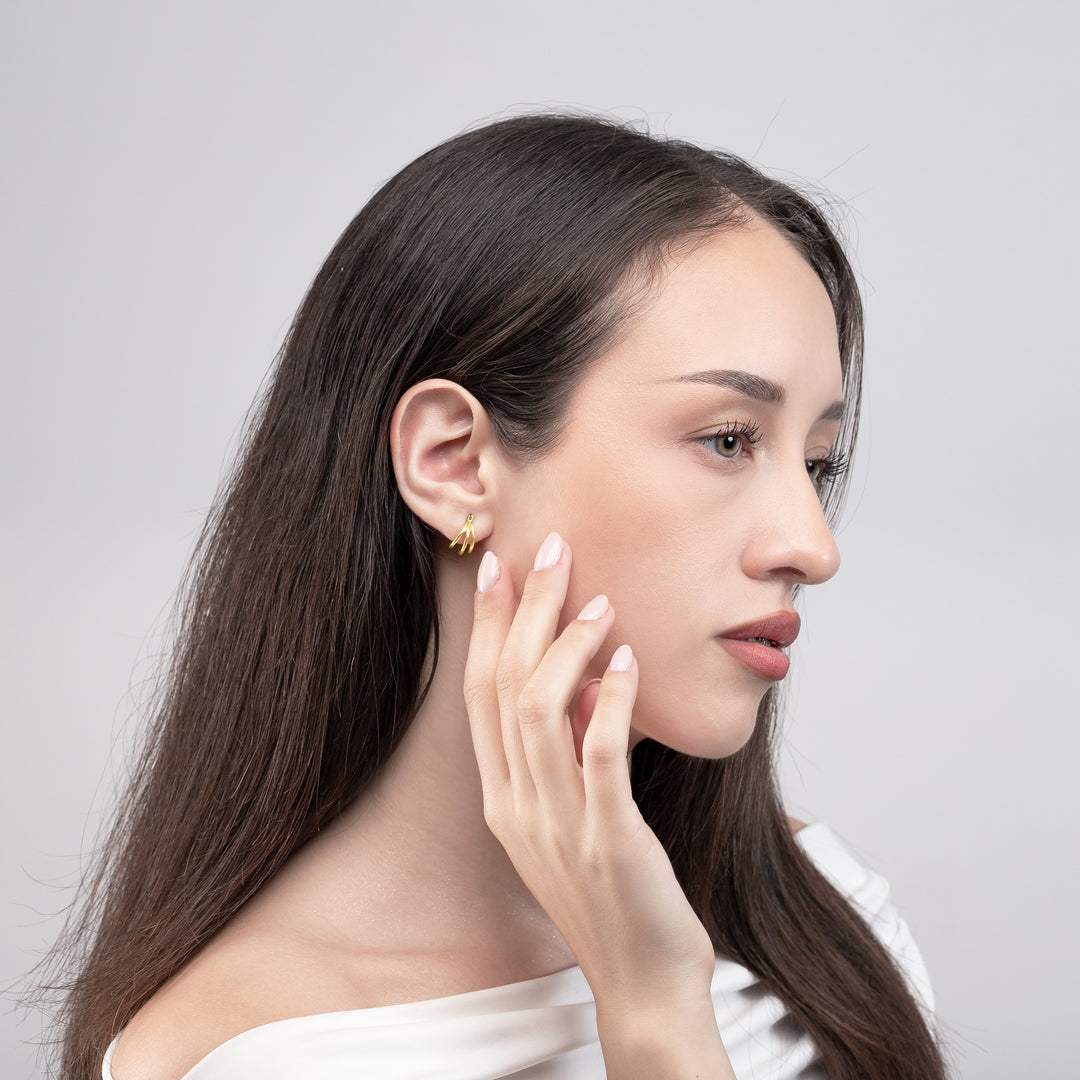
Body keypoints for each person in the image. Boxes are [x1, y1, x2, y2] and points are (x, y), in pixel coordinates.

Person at [40, 113, 949, 1079]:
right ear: (454, 464)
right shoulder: (260, 1054)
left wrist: (656, 993)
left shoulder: (825, 913)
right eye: (728, 439)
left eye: (818, 463)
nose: (814, 547)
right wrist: (646, 1003)